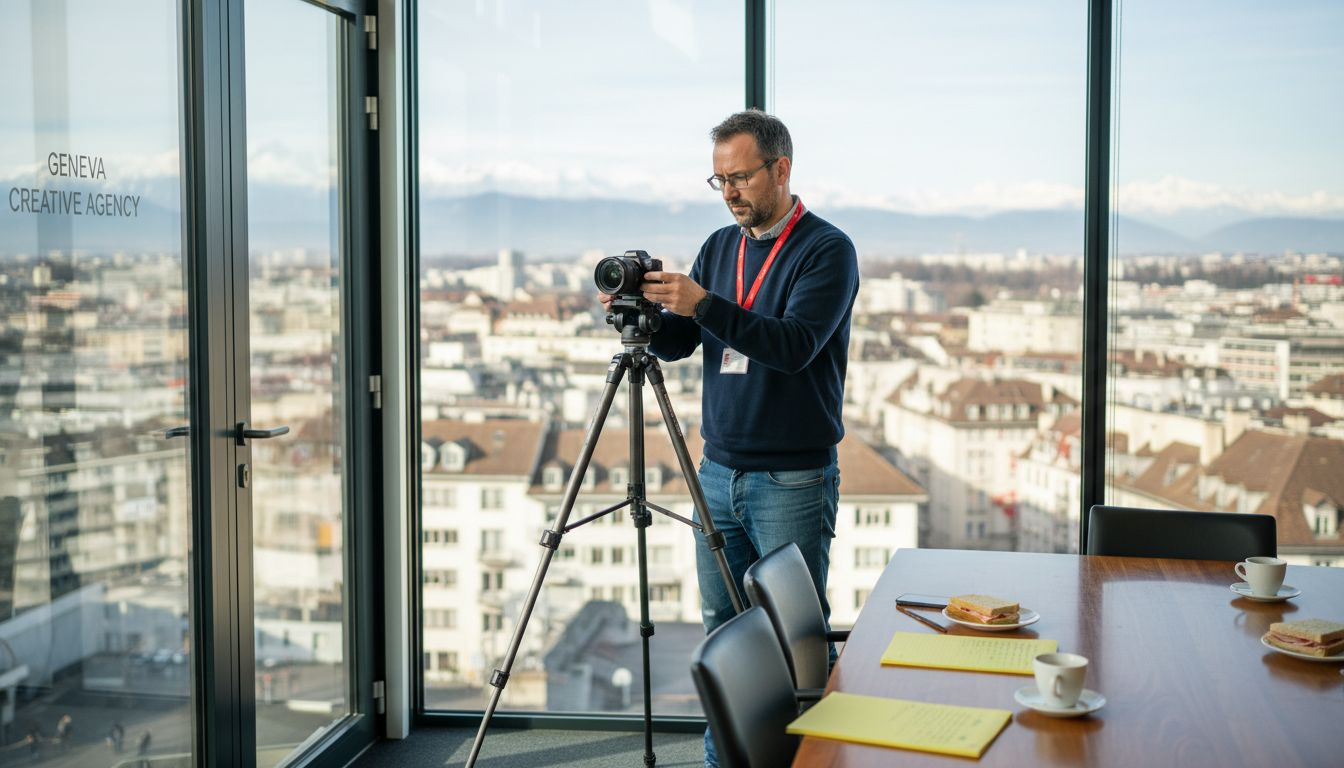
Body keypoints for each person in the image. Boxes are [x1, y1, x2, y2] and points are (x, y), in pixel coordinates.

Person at [599, 109, 858, 767]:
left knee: (794, 643)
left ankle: (804, 761)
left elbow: (795, 346)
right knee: (725, 636)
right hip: (715, 471)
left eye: (740, 177)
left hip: (791, 478)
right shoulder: (719, 246)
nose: (730, 192)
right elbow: (686, 341)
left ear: (781, 168)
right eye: (719, 180)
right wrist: (643, 317)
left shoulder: (826, 249)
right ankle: (727, 762)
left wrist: (703, 303)